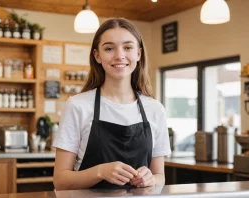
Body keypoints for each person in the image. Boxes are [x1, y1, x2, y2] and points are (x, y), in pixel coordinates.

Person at [53, 18, 171, 190]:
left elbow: (160, 177)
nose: (119, 55)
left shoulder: (155, 109)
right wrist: (100, 171)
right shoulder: (77, 105)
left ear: (138, 54)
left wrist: (150, 179)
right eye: (109, 48)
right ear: (97, 56)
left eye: (128, 47)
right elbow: (61, 180)